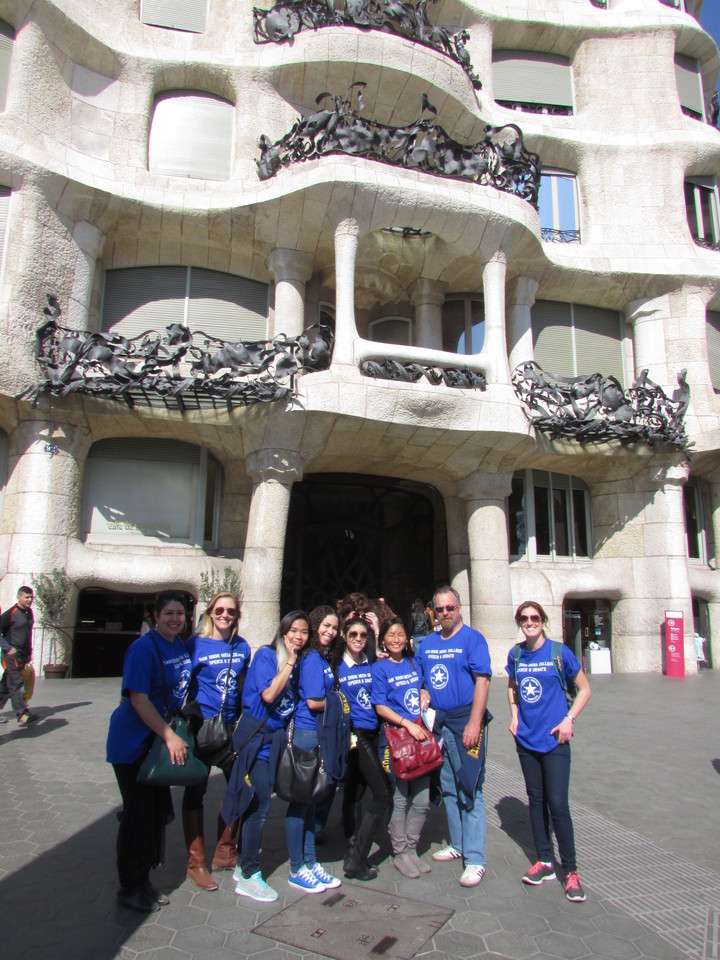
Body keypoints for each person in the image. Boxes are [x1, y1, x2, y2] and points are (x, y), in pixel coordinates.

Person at [106, 590, 192, 912]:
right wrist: (170, 735)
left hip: (156, 742)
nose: (174, 619)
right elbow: (139, 700)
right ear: (156, 615)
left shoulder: (179, 645)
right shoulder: (143, 649)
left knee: (153, 816)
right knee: (137, 817)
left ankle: (144, 881)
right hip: (134, 743)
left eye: (180, 614)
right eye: (169, 613)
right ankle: (129, 887)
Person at [506, 600, 591, 903]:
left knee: (558, 804)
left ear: (542, 620)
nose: (530, 622)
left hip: (555, 740)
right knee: (536, 800)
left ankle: (570, 869)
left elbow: (584, 688)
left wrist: (569, 719)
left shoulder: (559, 653)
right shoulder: (516, 654)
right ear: (519, 622)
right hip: (527, 740)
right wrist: (515, 715)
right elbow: (513, 687)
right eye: (525, 618)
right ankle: (544, 860)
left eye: (535, 617)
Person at [222, 610, 308, 903]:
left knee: (254, 804)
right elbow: (269, 696)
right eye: (294, 630)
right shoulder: (266, 656)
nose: (298, 636)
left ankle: (242, 865)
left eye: (303, 632)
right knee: (258, 808)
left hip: (274, 740)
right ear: (283, 631)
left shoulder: (295, 664)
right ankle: (249, 874)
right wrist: (289, 663)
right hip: (255, 739)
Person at [417, 585, 491, 887]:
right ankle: (458, 844)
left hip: (465, 719)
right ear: (433, 611)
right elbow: (422, 676)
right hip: (439, 721)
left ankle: (475, 858)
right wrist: (423, 690)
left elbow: (483, 681)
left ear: (459, 608)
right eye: (441, 609)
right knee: (447, 784)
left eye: (451, 608)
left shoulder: (473, 639)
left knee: (470, 785)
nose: (446, 613)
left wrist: (475, 723)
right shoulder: (429, 642)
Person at [182, 591, 251, 890]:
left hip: (229, 730)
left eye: (231, 612)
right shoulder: (194, 644)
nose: (225, 615)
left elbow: (245, 684)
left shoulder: (242, 646)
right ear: (210, 612)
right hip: (200, 727)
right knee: (194, 791)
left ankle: (225, 850)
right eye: (220, 610)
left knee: (239, 785)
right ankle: (195, 862)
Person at [285, 608, 344, 893]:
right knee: (301, 801)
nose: (330, 631)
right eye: (325, 625)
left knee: (310, 801)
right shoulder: (310, 658)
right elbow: (312, 701)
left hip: (317, 731)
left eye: (334, 627)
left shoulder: (320, 657)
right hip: (307, 732)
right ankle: (297, 866)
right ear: (315, 624)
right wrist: (341, 702)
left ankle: (310, 861)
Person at [371, 616, 432, 879]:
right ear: (383, 640)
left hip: (419, 737)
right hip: (396, 739)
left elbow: (420, 686)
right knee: (399, 799)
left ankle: (411, 848)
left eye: (400, 634)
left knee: (421, 800)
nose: (396, 640)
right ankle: (400, 853)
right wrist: (407, 723)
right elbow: (380, 705)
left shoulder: (412, 662)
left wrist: (424, 691)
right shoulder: (380, 668)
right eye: (390, 635)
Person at [336, 616, 392, 880]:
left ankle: (351, 849)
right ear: (344, 637)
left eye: (362, 635)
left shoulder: (370, 661)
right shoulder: (337, 667)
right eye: (353, 635)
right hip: (355, 737)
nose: (358, 639)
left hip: (372, 732)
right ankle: (357, 859)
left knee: (355, 793)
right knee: (382, 794)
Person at [0, 586, 39, 726]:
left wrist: (29, 653)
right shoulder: (10, 613)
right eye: (26, 597)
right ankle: (22, 714)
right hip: (11, 654)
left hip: (22, 655)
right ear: (19, 597)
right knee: (16, 683)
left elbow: (27, 635)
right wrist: (7, 648)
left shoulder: (29, 613)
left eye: (31, 597)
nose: (29, 600)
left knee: (6, 684)